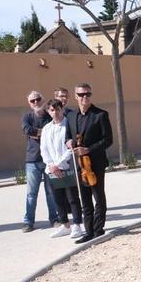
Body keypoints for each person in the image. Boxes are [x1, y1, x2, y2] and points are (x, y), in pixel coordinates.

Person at [65, 83, 113, 244]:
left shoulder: (100, 115)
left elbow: (108, 140)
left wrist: (89, 150)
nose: (85, 97)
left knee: (98, 196)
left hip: (96, 162)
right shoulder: (71, 116)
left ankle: (98, 229)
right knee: (84, 198)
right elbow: (68, 136)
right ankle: (89, 230)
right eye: (81, 94)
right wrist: (69, 142)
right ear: (75, 96)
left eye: (87, 94)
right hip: (79, 163)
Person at [40, 99, 84, 239]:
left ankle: (77, 225)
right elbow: (44, 148)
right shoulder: (47, 128)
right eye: (52, 110)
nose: (55, 112)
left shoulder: (68, 125)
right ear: (48, 111)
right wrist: (50, 165)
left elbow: (70, 148)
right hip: (51, 170)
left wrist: (58, 164)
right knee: (57, 199)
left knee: (72, 198)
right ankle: (65, 225)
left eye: (57, 109)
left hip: (66, 167)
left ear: (62, 109)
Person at [21, 90, 58, 232]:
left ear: (42, 100)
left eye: (38, 99)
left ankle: (54, 219)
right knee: (31, 194)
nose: (36, 102)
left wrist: (38, 133)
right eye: (32, 101)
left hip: (49, 160)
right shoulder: (27, 117)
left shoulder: (50, 116)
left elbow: (55, 130)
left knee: (51, 192)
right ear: (29, 104)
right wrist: (44, 132)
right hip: (32, 161)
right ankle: (28, 222)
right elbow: (26, 129)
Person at [53, 87, 82, 228]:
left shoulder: (72, 114)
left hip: (69, 158)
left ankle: (76, 222)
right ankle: (61, 220)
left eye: (65, 96)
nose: (63, 99)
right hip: (53, 162)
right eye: (61, 96)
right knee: (56, 194)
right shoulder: (49, 116)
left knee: (72, 193)